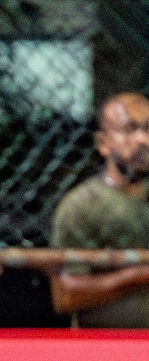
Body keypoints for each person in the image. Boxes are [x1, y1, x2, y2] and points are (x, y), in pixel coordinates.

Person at [50, 92, 149, 327]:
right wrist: (137, 277)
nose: (142, 139)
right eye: (129, 130)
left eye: (147, 129)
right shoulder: (82, 206)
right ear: (103, 144)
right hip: (104, 350)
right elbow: (65, 295)